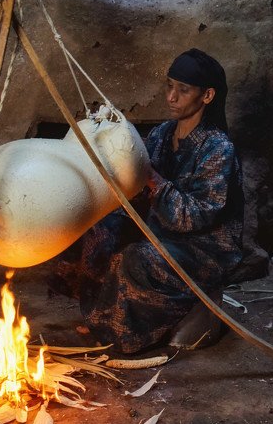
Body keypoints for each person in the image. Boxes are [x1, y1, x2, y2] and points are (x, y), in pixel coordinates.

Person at [46, 48, 244, 352]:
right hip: (161, 229)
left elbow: (195, 216)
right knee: (97, 230)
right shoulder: (163, 134)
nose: (171, 97)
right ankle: (100, 317)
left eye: (183, 90)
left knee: (137, 257)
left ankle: (124, 335)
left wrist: (151, 177)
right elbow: (135, 192)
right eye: (169, 86)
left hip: (204, 248)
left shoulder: (218, 148)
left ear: (207, 96)